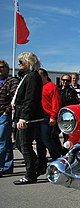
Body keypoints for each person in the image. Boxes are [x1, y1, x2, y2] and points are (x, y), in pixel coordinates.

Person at [12, 52, 44, 185]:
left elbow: (30, 98)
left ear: (28, 63)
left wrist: (23, 118)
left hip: (28, 118)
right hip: (23, 115)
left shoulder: (32, 77)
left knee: (25, 145)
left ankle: (31, 174)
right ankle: (37, 166)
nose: (19, 64)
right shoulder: (27, 77)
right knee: (20, 144)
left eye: (21, 62)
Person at [35, 69, 63, 173]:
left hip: (47, 116)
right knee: (39, 141)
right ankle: (41, 163)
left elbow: (56, 103)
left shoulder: (51, 86)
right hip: (38, 116)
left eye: (40, 76)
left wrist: (53, 116)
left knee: (46, 138)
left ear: (45, 76)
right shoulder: (37, 87)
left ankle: (56, 158)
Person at [0, 60, 19, 177]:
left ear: (7, 68)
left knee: (1, 141)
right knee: (6, 142)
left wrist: (7, 112)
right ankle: (7, 166)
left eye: (2, 67)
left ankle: (1, 167)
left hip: (3, 114)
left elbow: (15, 99)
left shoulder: (12, 81)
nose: (0, 69)